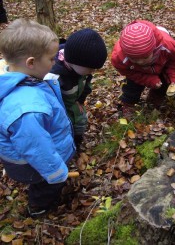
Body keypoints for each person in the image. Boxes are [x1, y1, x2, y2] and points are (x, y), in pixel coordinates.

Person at [0, 19, 76, 218]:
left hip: (40, 157)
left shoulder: (21, 76)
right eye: (51, 59)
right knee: (45, 186)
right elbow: (36, 148)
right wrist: (56, 173)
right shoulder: (27, 109)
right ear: (31, 62)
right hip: (34, 165)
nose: (55, 62)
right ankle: (38, 208)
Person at [111, 19, 175, 118]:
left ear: (154, 49)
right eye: (134, 59)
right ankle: (128, 104)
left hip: (161, 65)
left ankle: (154, 100)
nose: (140, 62)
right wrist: (149, 79)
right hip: (136, 71)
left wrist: (174, 78)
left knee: (164, 82)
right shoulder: (119, 58)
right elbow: (129, 73)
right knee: (131, 85)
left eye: (145, 57)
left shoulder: (168, 45)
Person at [49, 28, 107, 148]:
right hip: (58, 109)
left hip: (73, 103)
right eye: (90, 68)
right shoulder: (54, 76)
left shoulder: (83, 70)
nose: (93, 72)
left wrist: (80, 100)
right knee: (63, 127)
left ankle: (76, 141)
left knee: (80, 121)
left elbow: (87, 85)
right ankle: (65, 145)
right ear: (73, 61)